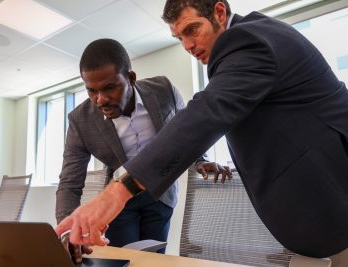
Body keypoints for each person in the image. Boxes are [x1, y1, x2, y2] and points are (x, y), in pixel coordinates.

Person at [56, 1, 348, 266]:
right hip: (320, 212)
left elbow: (202, 116)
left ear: (219, 11)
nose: (187, 45)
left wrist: (117, 191)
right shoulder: (80, 120)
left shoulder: (249, 40)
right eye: (179, 38)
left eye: (192, 30)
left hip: (340, 199)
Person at [55, 38, 231, 263]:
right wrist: (67, 229)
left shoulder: (163, 90)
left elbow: (186, 131)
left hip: (161, 195)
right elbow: (70, 182)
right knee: (123, 260)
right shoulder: (80, 121)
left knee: (154, 260)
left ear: (130, 78)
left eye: (109, 88)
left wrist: (200, 159)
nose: (100, 100)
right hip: (118, 203)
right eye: (91, 91)